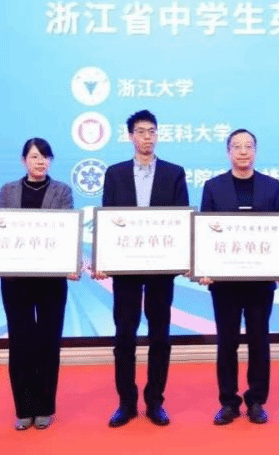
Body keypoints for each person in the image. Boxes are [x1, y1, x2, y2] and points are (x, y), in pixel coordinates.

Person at [0, 138, 75, 430]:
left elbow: (66, 233)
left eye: (45, 157)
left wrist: (70, 262)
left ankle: (44, 407)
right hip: (15, 280)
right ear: (23, 161)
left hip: (51, 280)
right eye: (34, 156)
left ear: (50, 161)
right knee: (20, 343)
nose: (40, 162)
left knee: (48, 342)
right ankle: (24, 408)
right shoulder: (8, 190)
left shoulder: (62, 191)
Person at [98, 110, 189, 428]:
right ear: (130, 136)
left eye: (152, 131)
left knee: (160, 336)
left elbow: (181, 220)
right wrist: (104, 259)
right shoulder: (115, 173)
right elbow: (108, 218)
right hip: (126, 269)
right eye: (140, 131)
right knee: (124, 335)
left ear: (157, 134)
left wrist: (183, 258)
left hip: (161, 269)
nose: (147, 136)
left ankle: (155, 401)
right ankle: (126, 402)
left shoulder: (174, 173)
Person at [199, 129, 279, 426]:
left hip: (260, 282)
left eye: (248, 146)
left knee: (259, 341)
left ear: (255, 151)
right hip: (224, 282)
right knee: (226, 342)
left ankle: (256, 401)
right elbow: (206, 231)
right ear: (228, 152)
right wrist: (204, 268)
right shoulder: (213, 187)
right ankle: (228, 402)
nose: (242, 151)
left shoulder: (271, 186)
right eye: (236, 146)